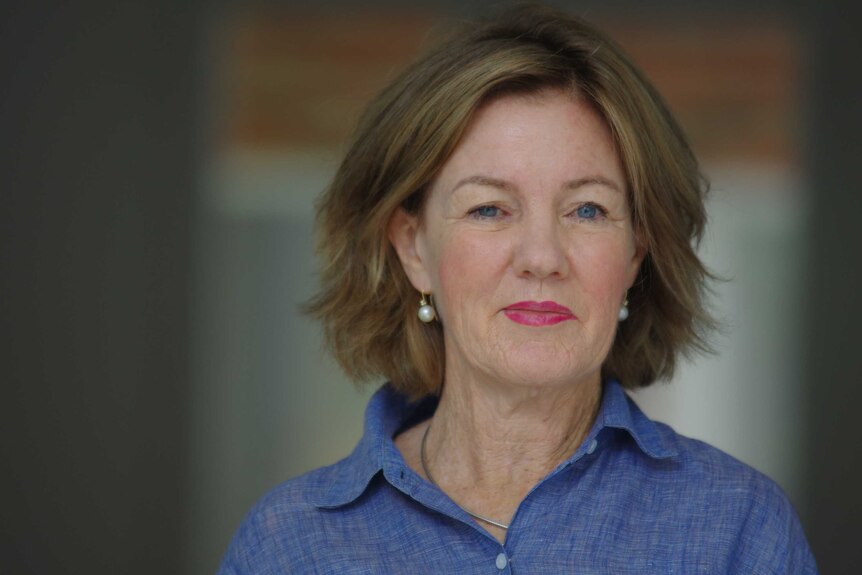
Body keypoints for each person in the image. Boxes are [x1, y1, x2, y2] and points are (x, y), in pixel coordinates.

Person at [218, 4, 817, 573]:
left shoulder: (740, 528)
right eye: (488, 209)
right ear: (412, 247)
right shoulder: (289, 546)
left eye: (586, 210)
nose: (541, 258)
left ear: (636, 251)